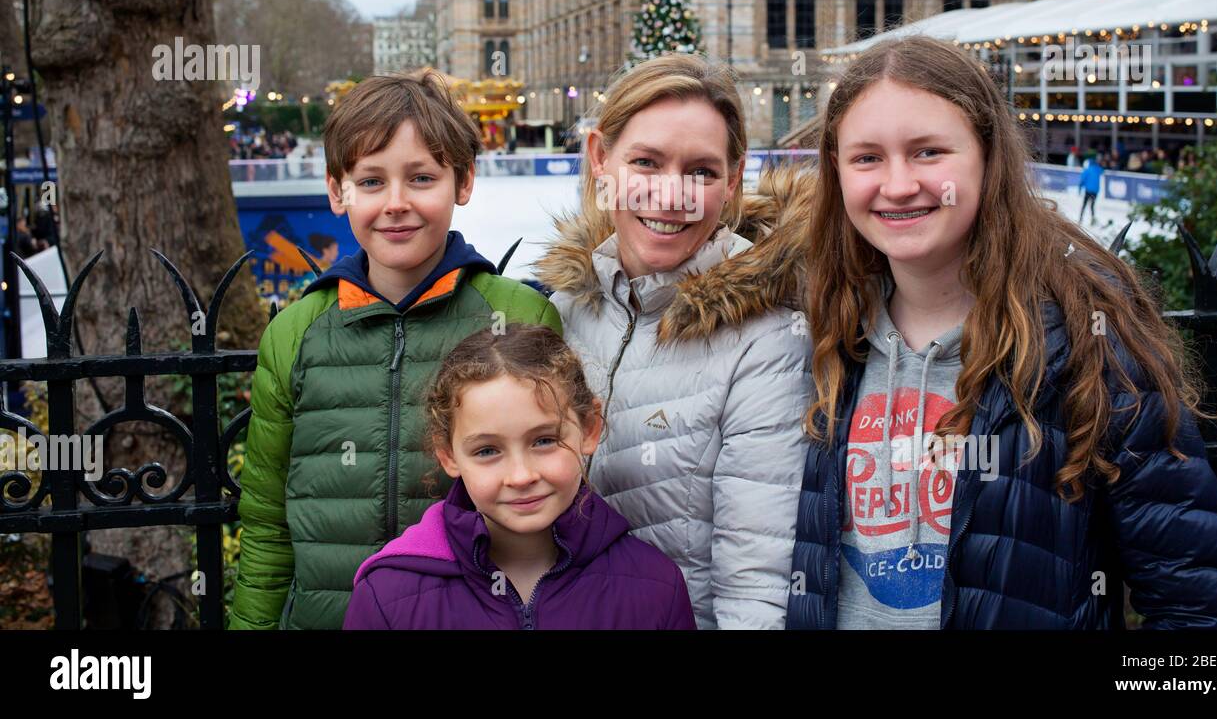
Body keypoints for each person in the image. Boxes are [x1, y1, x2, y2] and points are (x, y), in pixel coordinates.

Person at [786, 34, 1217, 629]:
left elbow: (1206, 619)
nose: (899, 183)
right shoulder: (815, 327)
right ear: (836, 169)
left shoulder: (1091, 339)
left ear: (988, 155)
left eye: (929, 152)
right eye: (867, 157)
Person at [229, 70, 562, 630]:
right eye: (372, 181)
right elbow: (266, 523)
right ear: (338, 190)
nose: (397, 204)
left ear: (463, 182)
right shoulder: (297, 333)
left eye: (422, 178)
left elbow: (561, 503)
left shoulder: (519, 317)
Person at [534, 52, 812, 629]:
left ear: (733, 180)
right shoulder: (564, 310)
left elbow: (755, 578)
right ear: (600, 160)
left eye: (702, 172)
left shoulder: (768, 338)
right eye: (646, 162)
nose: (671, 196)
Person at [344, 324, 696, 630]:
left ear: (589, 428)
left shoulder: (655, 588)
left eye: (544, 441)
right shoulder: (387, 595)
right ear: (448, 454)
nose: (521, 475)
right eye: (487, 451)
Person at [1078, 153, 1102, 225]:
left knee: (1084, 204)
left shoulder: (1087, 170)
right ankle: (1093, 219)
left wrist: (1080, 188)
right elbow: (1102, 170)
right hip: (1095, 191)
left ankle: (1080, 219)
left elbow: (1082, 180)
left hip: (1088, 190)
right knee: (1092, 205)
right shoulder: (1097, 169)